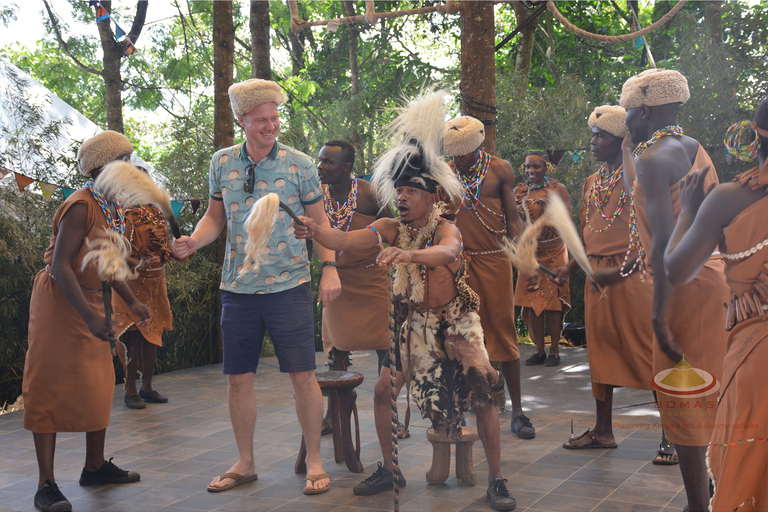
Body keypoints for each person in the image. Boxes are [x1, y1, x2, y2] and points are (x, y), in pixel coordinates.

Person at [294, 91, 516, 511]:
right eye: (399, 189)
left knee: (483, 392)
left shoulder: (445, 228)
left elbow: (448, 254)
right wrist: (313, 231)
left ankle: (498, 480)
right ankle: (391, 469)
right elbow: (343, 239)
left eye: (412, 190)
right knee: (382, 391)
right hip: (413, 326)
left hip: (456, 325)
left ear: (433, 195)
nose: (403, 196)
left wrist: (410, 255)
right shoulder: (391, 226)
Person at [171, 78, 340, 495]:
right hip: (238, 287)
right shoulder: (221, 162)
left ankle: (315, 461)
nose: (271, 126)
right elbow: (215, 218)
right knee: (237, 378)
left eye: (275, 118)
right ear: (242, 120)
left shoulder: (300, 164)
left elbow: (322, 225)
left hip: (290, 285)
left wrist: (330, 268)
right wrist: (194, 239)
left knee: (303, 376)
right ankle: (245, 462)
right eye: (261, 120)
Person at [22, 131, 152, 512]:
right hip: (61, 305)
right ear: (107, 168)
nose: (132, 168)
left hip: (92, 302)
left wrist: (133, 302)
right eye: (126, 162)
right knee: (48, 387)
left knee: (98, 384)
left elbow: (107, 265)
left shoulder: (111, 206)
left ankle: (94, 466)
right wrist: (90, 316)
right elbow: (62, 266)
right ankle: (46, 485)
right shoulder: (81, 205)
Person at [620, 68, 728, 512]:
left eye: (627, 112)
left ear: (643, 110)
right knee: (707, 394)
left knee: (683, 400)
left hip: (683, 287)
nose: (624, 119)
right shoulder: (692, 146)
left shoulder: (653, 157)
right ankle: (712, 495)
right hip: (713, 276)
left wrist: (659, 316)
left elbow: (666, 245)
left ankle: (698, 506)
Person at [664, 97, 768, 512]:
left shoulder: (727, 198)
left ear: (754, 136)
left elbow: (676, 270)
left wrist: (689, 211)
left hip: (756, 360)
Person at [556, 106, 666, 455]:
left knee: (648, 354)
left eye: (600, 135)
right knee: (600, 355)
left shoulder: (638, 176)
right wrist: (570, 268)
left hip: (631, 274)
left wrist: (629, 151)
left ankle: (673, 435)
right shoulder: (592, 182)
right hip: (596, 278)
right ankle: (603, 430)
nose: (592, 142)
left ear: (622, 140)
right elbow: (589, 238)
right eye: (592, 135)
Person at [444, 115, 533, 440]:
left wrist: (524, 262)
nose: (458, 160)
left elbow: (512, 219)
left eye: (463, 154)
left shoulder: (499, 170)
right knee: (460, 335)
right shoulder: (446, 173)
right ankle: (465, 401)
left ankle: (519, 411)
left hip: (495, 263)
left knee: (503, 332)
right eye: (453, 154)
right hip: (457, 267)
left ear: (477, 146)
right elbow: (439, 220)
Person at [316, 139, 393, 435]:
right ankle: (334, 416)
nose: (320, 167)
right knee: (337, 348)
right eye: (320, 160)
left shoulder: (370, 194)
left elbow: (391, 229)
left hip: (372, 276)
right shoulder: (317, 196)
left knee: (384, 345)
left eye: (327, 163)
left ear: (347, 169)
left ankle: (390, 411)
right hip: (336, 278)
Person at [111, 189, 184, 409]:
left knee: (153, 334)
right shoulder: (121, 213)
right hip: (130, 283)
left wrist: (177, 252)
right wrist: (137, 263)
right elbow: (113, 250)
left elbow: (164, 246)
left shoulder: (156, 212)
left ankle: (147, 388)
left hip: (156, 282)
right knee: (134, 336)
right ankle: (130, 390)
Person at [513, 152, 571, 366]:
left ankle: (554, 351)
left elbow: (569, 219)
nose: (531, 171)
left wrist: (550, 210)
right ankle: (539, 351)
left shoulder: (558, 189)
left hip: (554, 250)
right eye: (528, 167)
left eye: (536, 167)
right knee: (532, 302)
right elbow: (512, 221)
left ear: (546, 167)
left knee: (554, 303)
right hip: (529, 253)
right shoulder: (518, 191)